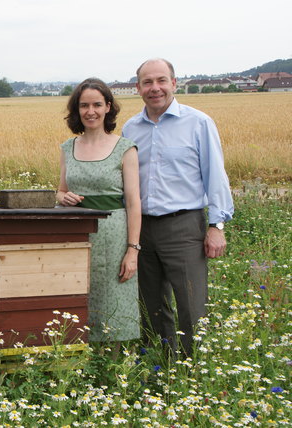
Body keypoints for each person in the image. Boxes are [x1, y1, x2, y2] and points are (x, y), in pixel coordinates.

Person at [122, 58, 234, 357]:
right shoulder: (130, 128)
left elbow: (216, 176)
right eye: (147, 82)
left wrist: (216, 226)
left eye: (161, 81)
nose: (154, 88)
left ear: (174, 83)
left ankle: (191, 370)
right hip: (142, 229)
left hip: (184, 227)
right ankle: (159, 365)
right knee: (150, 305)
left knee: (190, 304)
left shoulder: (198, 123)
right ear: (138, 88)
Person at [57, 78, 142, 346]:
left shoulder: (124, 148)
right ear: (76, 110)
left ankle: (114, 368)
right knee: (77, 298)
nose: (90, 111)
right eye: (84, 105)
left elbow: (133, 202)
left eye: (96, 104)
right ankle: (79, 363)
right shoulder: (68, 148)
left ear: (108, 107)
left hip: (114, 237)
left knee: (113, 299)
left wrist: (132, 250)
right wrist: (62, 197)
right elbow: (59, 191)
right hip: (75, 236)